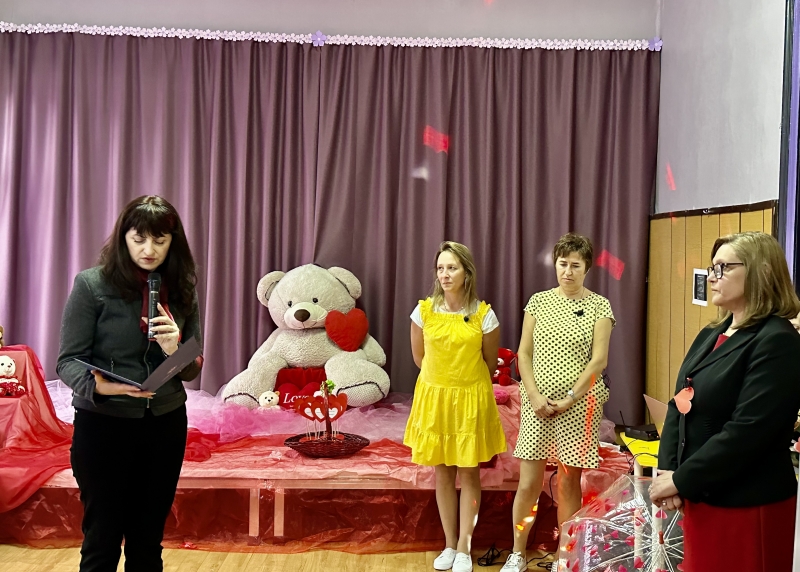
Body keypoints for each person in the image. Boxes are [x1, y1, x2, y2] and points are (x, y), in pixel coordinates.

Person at [57, 195, 204, 572]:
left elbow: (191, 370)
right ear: (124, 238)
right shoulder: (91, 285)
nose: (148, 250)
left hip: (165, 424)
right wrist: (98, 387)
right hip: (103, 424)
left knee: (147, 542)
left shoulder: (183, 287)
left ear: (173, 243)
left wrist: (174, 349)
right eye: (139, 239)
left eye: (160, 240)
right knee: (101, 540)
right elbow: (67, 361)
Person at [650, 231, 800, 572]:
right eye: (711, 268)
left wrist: (681, 480)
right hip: (702, 494)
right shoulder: (711, 333)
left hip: (746, 503)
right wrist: (670, 470)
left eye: (723, 268)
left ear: (761, 271)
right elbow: (679, 402)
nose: (711, 278)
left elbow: (749, 431)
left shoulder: (778, 340)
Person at [501, 233, 615, 572]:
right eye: (563, 264)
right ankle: (517, 553)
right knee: (528, 482)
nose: (568, 271)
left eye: (575, 265)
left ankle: (566, 556)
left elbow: (599, 361)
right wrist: (534, 395)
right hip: (536, 404)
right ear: (555, 265)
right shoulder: (538, 301)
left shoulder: (600, 306)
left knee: (568, 482)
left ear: (587, 268)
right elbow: (523, 353)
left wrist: (569, 398)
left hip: (578, 407)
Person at [403, 241, 507, 572]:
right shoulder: (423, 312)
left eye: (452, 268)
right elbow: (419, 358)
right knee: (443, 473)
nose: (445, 274)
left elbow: (489, 363)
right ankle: (449, 544)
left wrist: (464, 385)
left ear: (466, 272)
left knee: (469, 472)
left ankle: (464, 546)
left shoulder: (483, 315)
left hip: (470, 400)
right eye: (440, 268)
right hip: (435, 400)